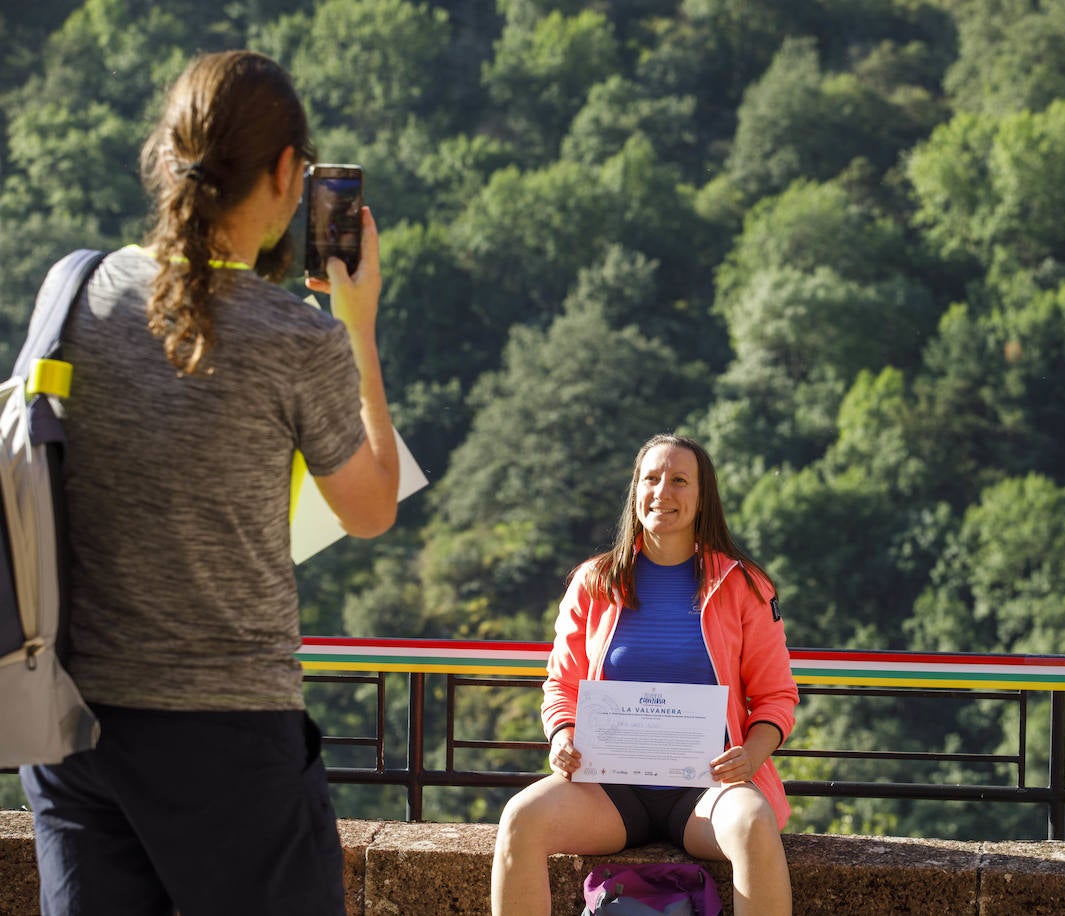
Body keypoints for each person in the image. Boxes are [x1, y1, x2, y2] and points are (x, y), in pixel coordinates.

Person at [18, 50, 399, 915]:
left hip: (71, 723)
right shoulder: (294, 339)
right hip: (229, 734)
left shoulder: (75, 292)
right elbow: (369, 507)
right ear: (288, 174)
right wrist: (358, 326)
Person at [492, 434, 799, 916]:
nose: (663, 491)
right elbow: (561, 685)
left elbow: (776, 696)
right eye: (651, 478)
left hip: (707, 787)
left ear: (702, 497)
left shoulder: (745, 585)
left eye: (680, 480)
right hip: (608, 789)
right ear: (636, 490)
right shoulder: (593, 581)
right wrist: (561, 736)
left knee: (755, 823)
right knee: (519, 819)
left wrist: (750, 757)